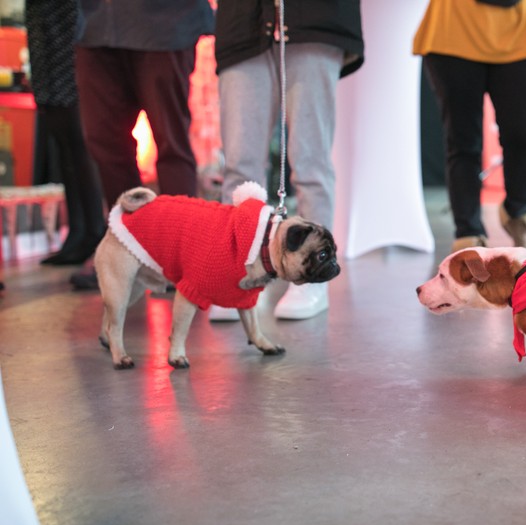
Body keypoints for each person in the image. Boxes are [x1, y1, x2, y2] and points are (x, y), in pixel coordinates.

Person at [210, 0, 364, 321]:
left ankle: (312, 274)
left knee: (310, 159)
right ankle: (235, 271)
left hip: (316, 21)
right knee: (240, 164)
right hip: (242, 23)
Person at [69, 0, 215, 289]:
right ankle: (128, 252)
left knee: (171, 141)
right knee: (103, 140)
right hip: (96, 24)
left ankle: (182, 257)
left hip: (165, 22)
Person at [413, 0, 526, 253]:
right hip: (452, 32)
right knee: (463, 142)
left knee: (523, 134)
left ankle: (518, 213)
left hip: (519, 34)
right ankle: (469, 232)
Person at [26, 0, 106, 266]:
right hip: (44, 19)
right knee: (60, 132)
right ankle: (78, 230)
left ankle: (94, 229)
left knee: (77, 134)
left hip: (71, 19)